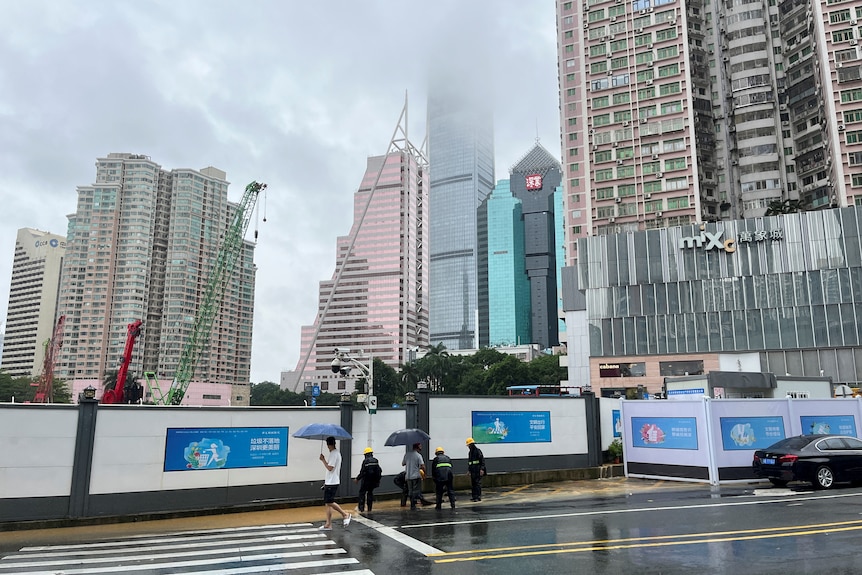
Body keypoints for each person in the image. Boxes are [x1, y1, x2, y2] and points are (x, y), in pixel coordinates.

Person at [318, 436, 351, 530]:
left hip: (332, 482)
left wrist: (323, 460)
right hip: (331, 481)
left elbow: (330, 468)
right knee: (327, 503)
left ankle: (345, 514)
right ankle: (328, 524)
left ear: (328, 445)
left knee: (329, 501)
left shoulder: (333, 454)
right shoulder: (337, 453)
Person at [354, 447, 382, 513]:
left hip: (365, 481)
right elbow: (379, 471)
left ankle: (361, 509)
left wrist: (357, 479)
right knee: (370, 493)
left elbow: (363, 472)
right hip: (373, 481)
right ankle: (369, 508)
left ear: (366, 454)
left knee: (362, 493)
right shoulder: (376, 460)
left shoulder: (365, 461)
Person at [402, 442, 428, 510]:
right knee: (416, 491)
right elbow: (422, 466)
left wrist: (409, 462)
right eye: (420, 446)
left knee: (410, 491)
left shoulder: (407, 454)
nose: (421, 447)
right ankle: (413, 506)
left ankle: (412, 505)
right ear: (417, 447)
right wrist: (425, 474)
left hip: (408, 476)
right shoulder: (418, 455)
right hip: (416, 476)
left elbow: (403, 463)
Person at [466, 437, 486, 502]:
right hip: (473, 470)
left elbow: (482, 461)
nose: (468, 446)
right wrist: (469, 470)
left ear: (471, 444)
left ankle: (478, 497)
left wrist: (482, 469)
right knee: (473, 484)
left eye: (468, 445)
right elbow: (470, 462)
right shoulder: (470, 452)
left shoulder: (477, 451)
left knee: (477, 484)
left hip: (477, 470)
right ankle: (474, 496)